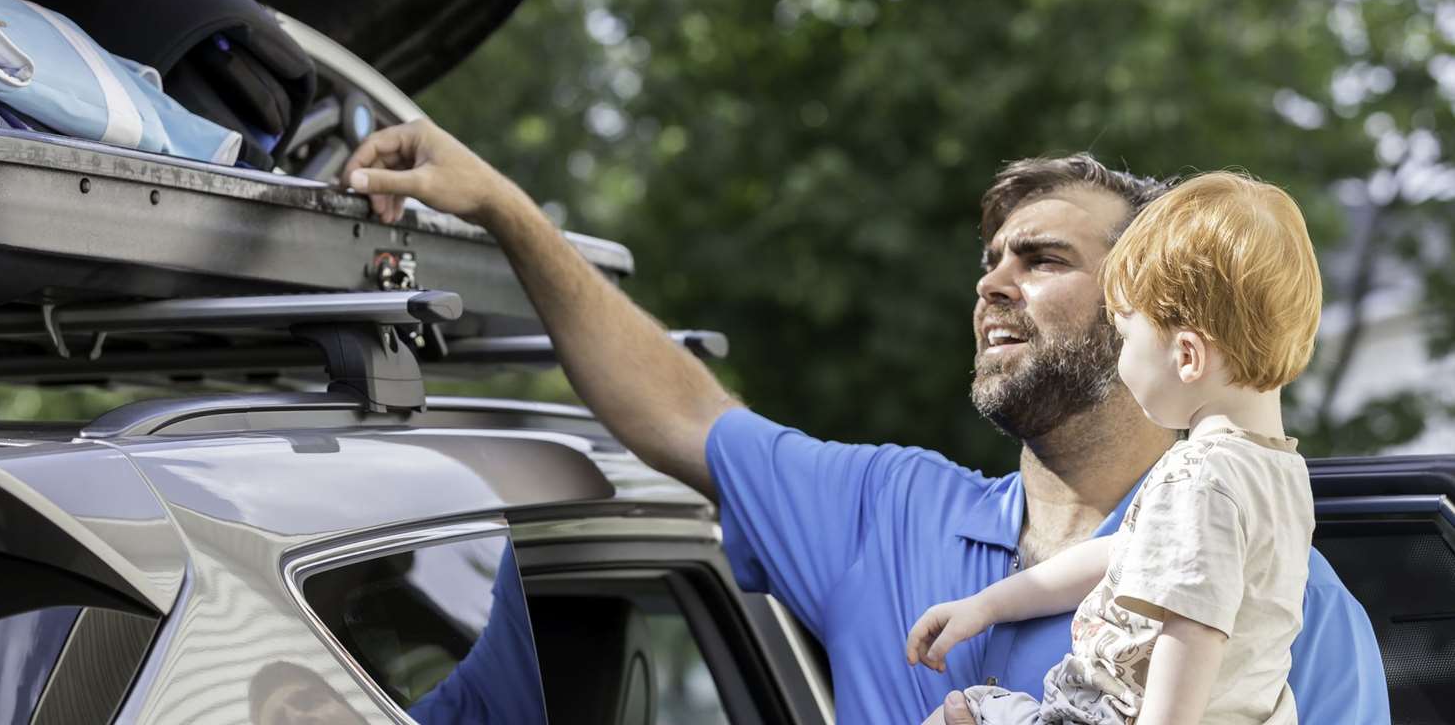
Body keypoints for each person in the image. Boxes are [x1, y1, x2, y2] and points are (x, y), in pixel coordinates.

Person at [341, 120, 1389, 724]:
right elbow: (679, 412)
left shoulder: (1291, 595)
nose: (996, 285)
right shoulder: (884, 510)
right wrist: (506, 208)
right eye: (991, 263)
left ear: (1158, 315)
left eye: (1045, 260)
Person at [907, 172, 1322, 724]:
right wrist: (988, 605)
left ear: (1188, 357)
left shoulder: (1199, 476)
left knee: (967, 711)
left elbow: (1193, 627)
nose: (1122, 362)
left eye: (1127, 339)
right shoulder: (1280, 471)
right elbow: (1130, 552)